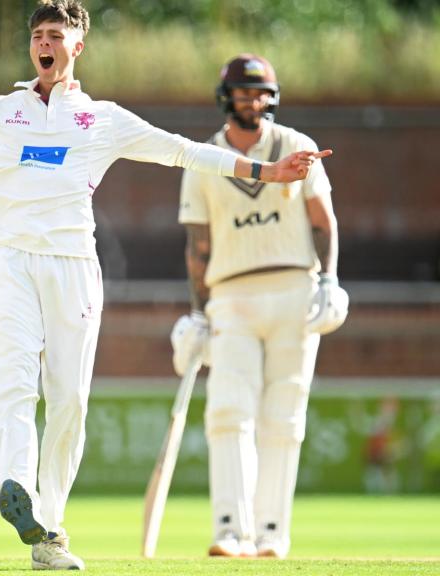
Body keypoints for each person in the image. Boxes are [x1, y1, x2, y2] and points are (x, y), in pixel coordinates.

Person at [0, 2, 330, 570]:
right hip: (10, 264)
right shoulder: (0, 112)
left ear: (77, 48)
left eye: (56, 35)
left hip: (73, 267)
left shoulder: (104, 118)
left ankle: (49, 530)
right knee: (13, 382)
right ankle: (13, 485)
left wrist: (268, 173)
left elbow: (183, 151)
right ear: (32, 47)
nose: (44, 44)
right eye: (37, 35)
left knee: (68, 402)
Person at [171, 53, 348, 559]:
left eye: (262, 93)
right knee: (229, 413)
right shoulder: (203, 158)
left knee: (285, 415)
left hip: (295, 290)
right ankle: (231, 528)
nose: (255, 101)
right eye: (246, 93)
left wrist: (330, 279)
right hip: (230, 296)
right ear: (227, 98)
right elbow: (197, 246)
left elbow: (323, 220)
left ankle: (272, 532)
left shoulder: (297, 146)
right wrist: (199, 312)